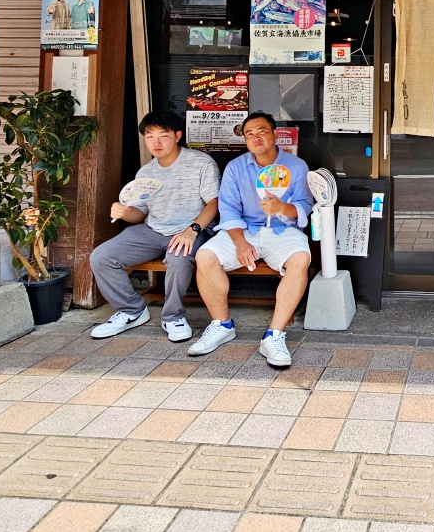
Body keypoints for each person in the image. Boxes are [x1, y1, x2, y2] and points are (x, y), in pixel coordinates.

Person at [190, 111, 315, 366]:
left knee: (301, 259)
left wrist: (281, 208)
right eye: (249, 134)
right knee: (205, 255)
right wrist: (240, 242)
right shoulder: (236, 167)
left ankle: (274, 335)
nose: (256, 138)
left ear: (274, 134)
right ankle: (221, 325)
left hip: (282, 230)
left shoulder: (296, 166)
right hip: (243, 229)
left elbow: (305, 205)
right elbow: (228, 209)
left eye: (261, 131)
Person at [89, 112, 220, 342]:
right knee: (102, 256)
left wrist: (192, 230)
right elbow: (140, 214)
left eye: (163, 135)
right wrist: (125, 212)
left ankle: (172, 317)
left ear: (178, 135)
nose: (156, 142)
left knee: (178, 257)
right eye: (149, 136)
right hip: (153, 230)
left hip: (191, 229)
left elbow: (214, 202)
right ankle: (131, 310)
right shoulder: (146, 172)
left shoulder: (200, 163)